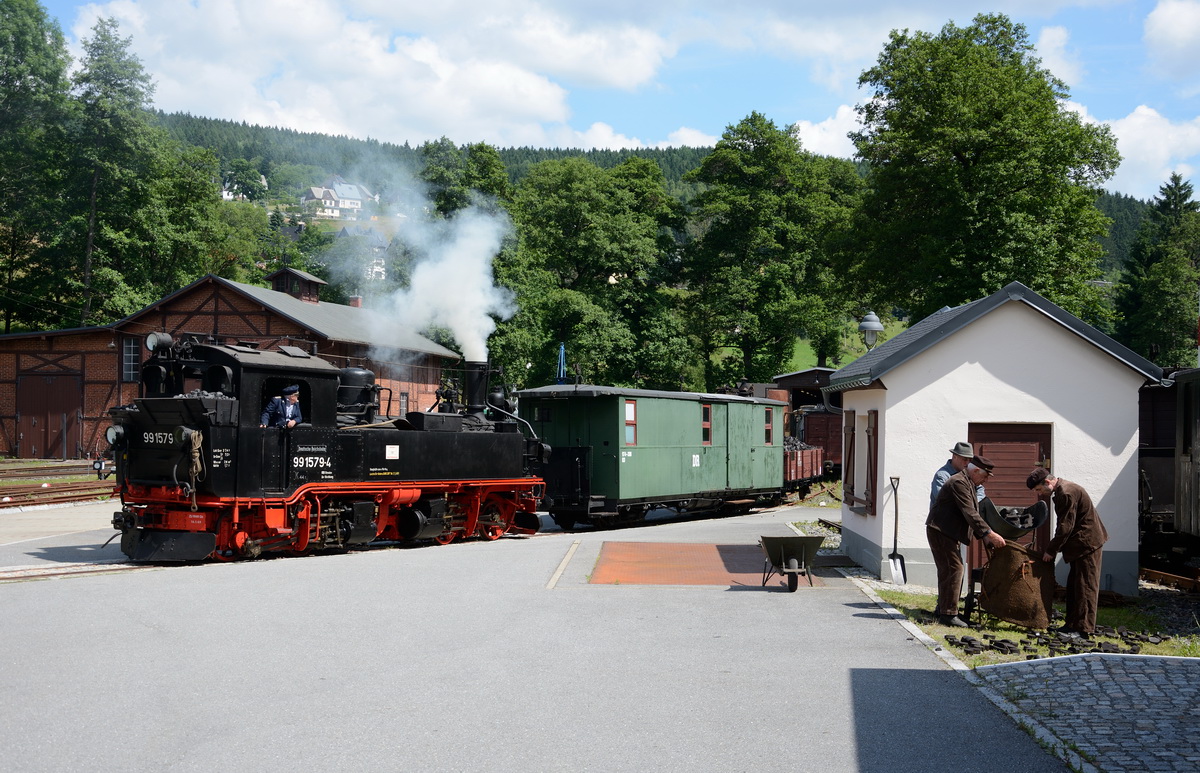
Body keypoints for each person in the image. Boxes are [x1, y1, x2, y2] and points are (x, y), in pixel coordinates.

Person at [925, 455, 1006, 627]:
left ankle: (946, 610)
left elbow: (973, 510)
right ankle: (948, 614)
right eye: (984, 477)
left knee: (949, 570)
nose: (985, 482)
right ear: (975, 471)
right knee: (955, 568)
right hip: (940, 530)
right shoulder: (959, 482)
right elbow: (969, 512)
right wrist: (989, 534)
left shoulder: (968, 482)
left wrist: (985, 535)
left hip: (947, 532)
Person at [1026, 468, 1108, 636]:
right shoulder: (1063, 490)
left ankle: (1084, 629)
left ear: (1048, 482)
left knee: (1085, 587)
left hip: (1087, 545)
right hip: (1080, 545)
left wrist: (1051, 550)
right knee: (1074, 587)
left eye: (1039, 489)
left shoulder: (1066, 493)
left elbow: (1065, 526)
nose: (1040, 494)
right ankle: (1071, 625)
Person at [929, 441, 984, 508]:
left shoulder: (968, 473)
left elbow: (980, 490)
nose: (967, 463)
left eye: (970, 460)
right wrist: (968, 504)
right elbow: (943, 499)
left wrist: (973, 503)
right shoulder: (942, 475)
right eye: (965, 459)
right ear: (954, 456)